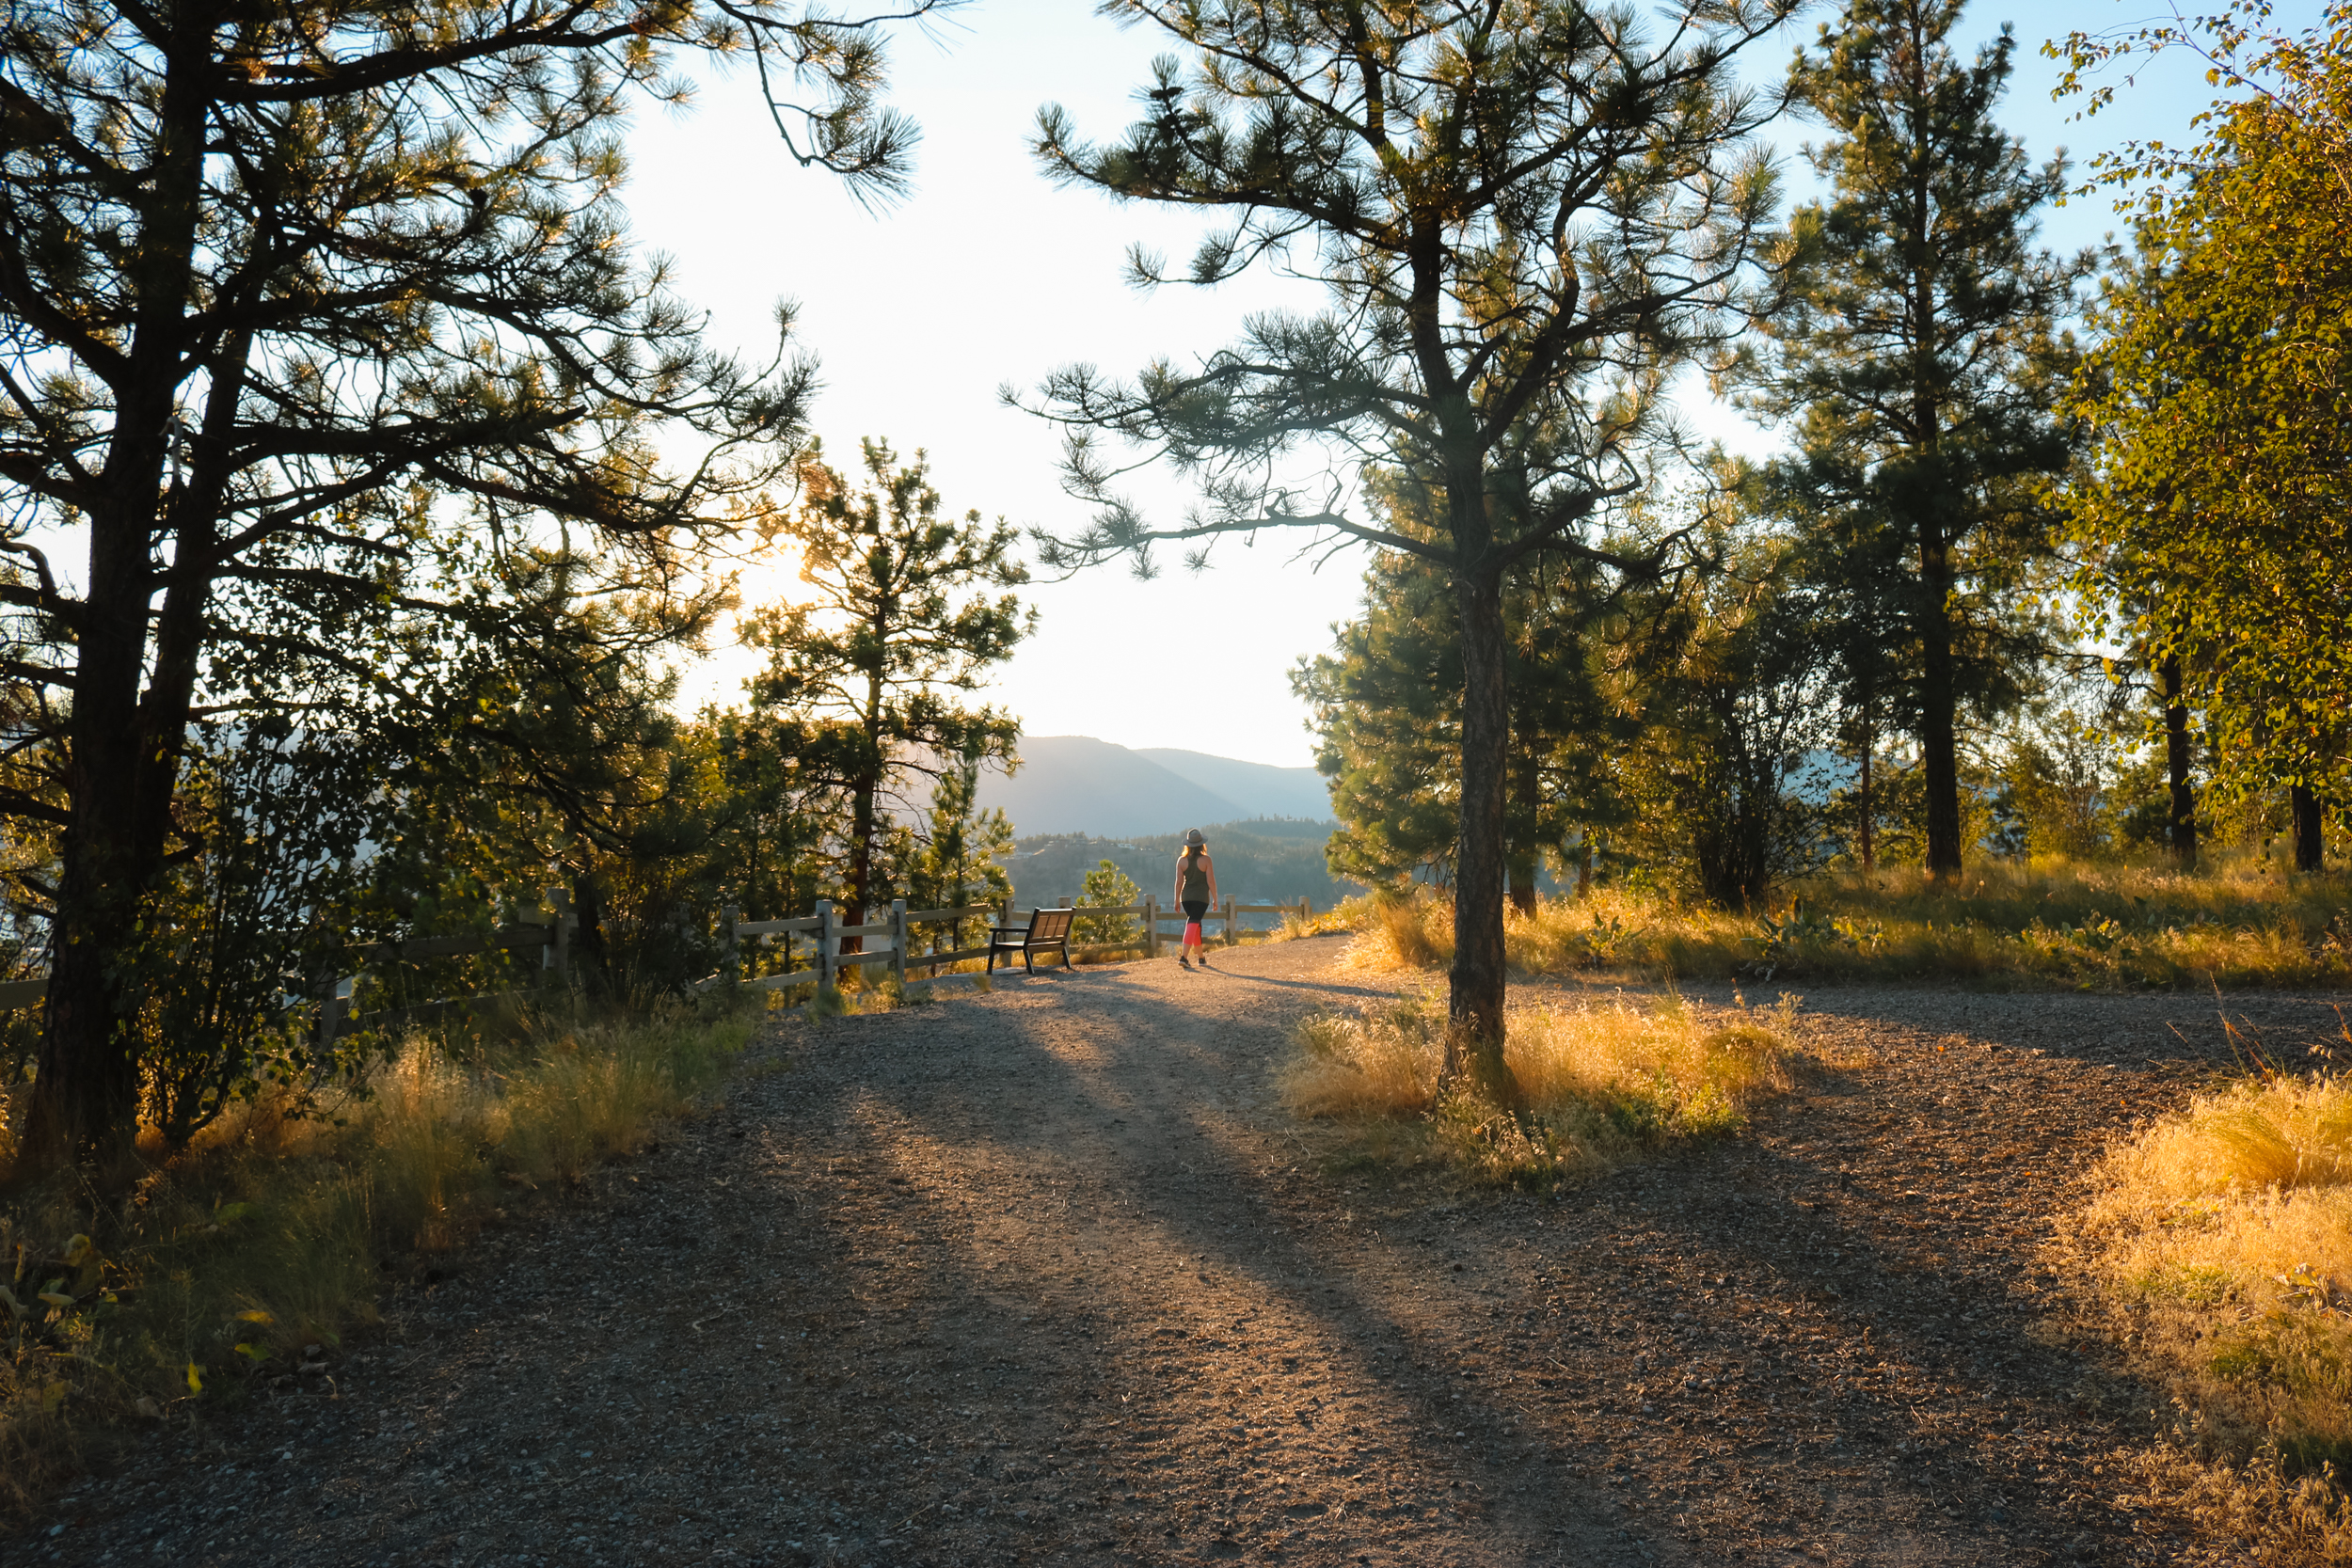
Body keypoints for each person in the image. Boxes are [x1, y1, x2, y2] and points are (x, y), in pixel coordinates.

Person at [1173, 829, 1218, 971]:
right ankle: (1184, 957)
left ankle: (1201, 958)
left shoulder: (1181, 861)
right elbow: (1211, 881)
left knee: (1196, 925)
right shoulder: (1206, 860)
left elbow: (1179, 882)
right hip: (1201, 898)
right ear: (1201, 844)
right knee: (1192, 923)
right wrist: (1215, 899)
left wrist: (1176, 900)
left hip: (1186, 898)